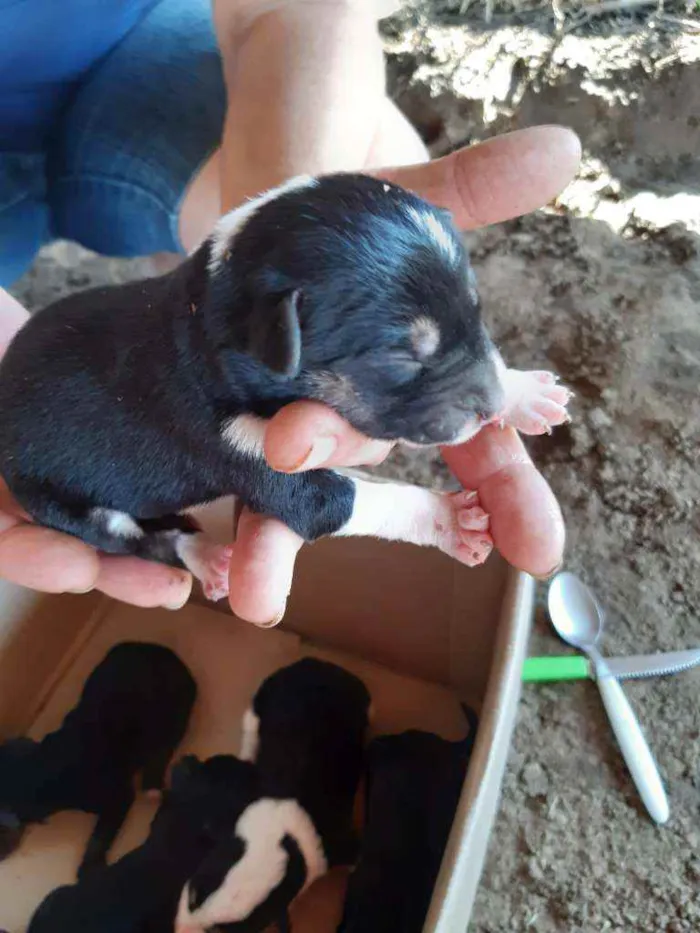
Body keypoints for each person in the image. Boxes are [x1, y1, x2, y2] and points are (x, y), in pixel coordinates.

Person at [0, 0, 580, 625]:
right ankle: (178, 543)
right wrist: (432, 520)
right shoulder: (221, 413)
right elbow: (309, 501)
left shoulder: (244, 331)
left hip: (122, 57)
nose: (484, 391)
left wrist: (496, 388)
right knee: (108, 524)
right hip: (58, 466)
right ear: (270, 338)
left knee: (389, 139)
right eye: (403, 353)